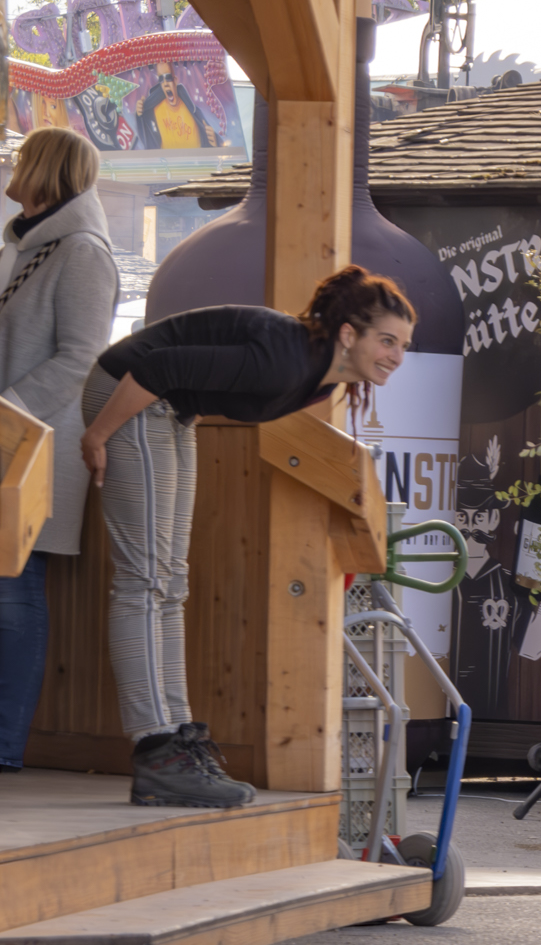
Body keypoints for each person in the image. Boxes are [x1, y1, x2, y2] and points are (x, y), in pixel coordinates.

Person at [81, 266, 415, 808]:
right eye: (387, 341)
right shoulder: (287, 359)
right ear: (348, 334)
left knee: (171, 581)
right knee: (144, 580)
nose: (396, 356)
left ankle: (176, 737)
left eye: (403, 346)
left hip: (171, 409)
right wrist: (98, 433)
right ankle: (156, 747)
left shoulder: (321, 376)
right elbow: (155, 366)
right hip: (132, 395)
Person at [0, 128, 119, 771]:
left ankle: (4, 749)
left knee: (13, 592)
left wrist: (7, 411)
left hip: (34, 446)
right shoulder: (24, 247)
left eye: (21, 158)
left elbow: (82, 358)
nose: (12, 167)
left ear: (46, 169)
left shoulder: (82, 252)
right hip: (10, 439)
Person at [135, 62, 221, 150]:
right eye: (161, 79)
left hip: (195, 158)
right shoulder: (151, 109)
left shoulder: (193, 110)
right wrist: (140, 115)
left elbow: (214, 144)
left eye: (168, 78)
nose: (165, 83)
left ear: (175, 80)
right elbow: (146, 141)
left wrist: (215, 143)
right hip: (165, 159)